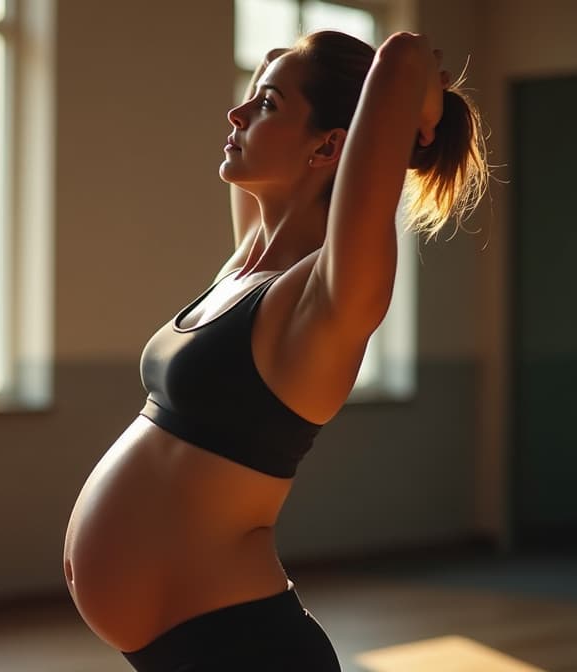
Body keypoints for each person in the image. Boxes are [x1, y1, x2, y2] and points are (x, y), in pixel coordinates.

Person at [63, 29, 488, 671]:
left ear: (328, 145)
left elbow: (402, 56)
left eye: (265, 104)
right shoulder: (247, 263)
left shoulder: (332, 294)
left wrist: (422, 104)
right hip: (187, 644)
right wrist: (274, 73)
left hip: (243, 647)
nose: (236, 113)